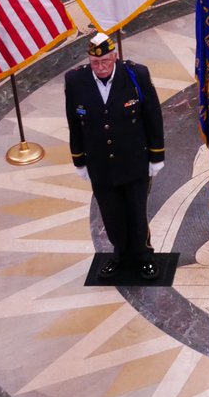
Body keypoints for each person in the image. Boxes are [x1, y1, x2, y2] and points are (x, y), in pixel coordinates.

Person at [65, 32, 165, 280]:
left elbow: (153, 117)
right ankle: (119, 254)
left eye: (105, 62)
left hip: (134, 162)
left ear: (115, 58)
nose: (99, 67)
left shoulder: (135, 76)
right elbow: (74, 123)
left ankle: (144, 256)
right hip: (100, 165)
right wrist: (79, 160)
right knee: (111, 215)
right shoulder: (75, 81)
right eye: (94, 63)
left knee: (136, 213)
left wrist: (156, 156)